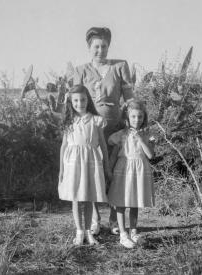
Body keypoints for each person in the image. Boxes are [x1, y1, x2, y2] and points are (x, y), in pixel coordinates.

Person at [73, 27, 134, 235]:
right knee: (94, 173)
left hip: (115, 128)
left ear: (109, 46)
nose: (100, 50)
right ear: (89, 47)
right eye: (96, 46)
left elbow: (129, 97)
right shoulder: (81, 70)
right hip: (91, 131)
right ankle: (95, 220)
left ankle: (114, 221)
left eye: (104, 46)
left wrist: (133, 122)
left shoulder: (119, 66)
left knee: (116, 173)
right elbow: (75, 102)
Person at [58, 85, 112, 245]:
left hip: (91, 162)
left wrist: (106, 165)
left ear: (88, 100)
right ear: (71, 102)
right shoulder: (69, 121)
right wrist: (61, 170)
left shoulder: (96, 120)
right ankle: (79, 232)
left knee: (88, 198)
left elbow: (102, 144)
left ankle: (89, 232)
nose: (79, 103)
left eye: (82, 99)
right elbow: (63, 146)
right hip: (73, 164)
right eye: (75, 100)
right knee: (76, 198)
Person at [108, 100, 155, 248]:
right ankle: (123, 234)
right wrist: (108, 172)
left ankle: (133, 231)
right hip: (123, 170)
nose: (137, 120)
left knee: (135, 202)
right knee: (121, 203)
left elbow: (150, 155)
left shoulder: (148, 135)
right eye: (133, 116)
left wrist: (141, 138)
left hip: (139, 171)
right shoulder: (121, 135)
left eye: (140, 116)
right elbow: (114, 156)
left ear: (144, 117)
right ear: (127, 118)